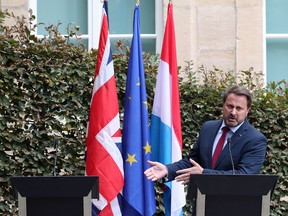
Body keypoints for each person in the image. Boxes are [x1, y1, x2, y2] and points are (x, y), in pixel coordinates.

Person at [144, 85, 267, 185]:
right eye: (230, 106)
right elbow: (192, 161)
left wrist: (204, 174)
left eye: (239, 108)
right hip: (201, 204)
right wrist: (167, 169)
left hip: (232, 205)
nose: (233, 112)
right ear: (223, 106)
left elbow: (244, 175)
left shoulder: (255, 139)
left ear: (247, 111)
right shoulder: (208, 128)